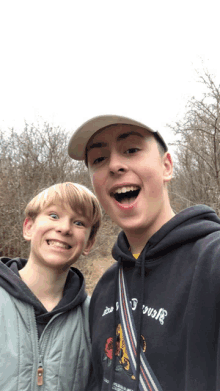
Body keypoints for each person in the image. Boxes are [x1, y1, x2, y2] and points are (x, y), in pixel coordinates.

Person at [68, 115, 220, 391]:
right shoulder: (104, 289)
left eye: (131, 150)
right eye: (99, 159)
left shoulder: (211, 262)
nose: (114, 165)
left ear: (166, 166)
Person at [0, 182, 102, 391]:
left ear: (89, 244)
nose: (64, 228)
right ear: (28, 227)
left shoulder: (94, 319)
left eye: (79, 223)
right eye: (54, 216)